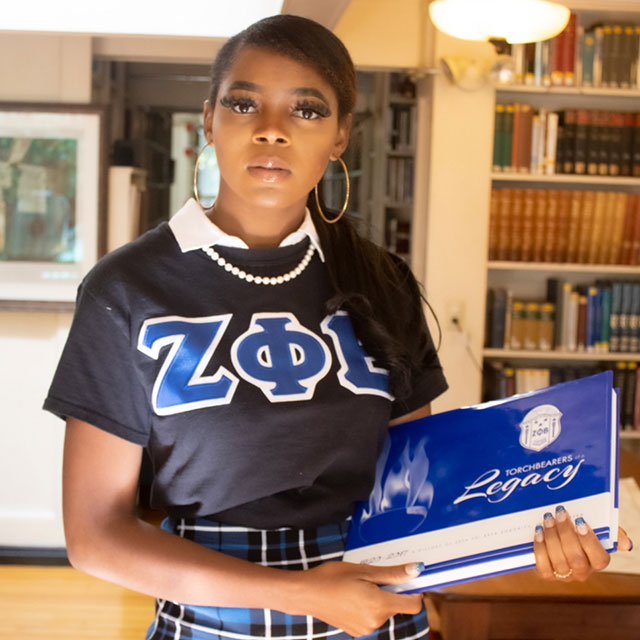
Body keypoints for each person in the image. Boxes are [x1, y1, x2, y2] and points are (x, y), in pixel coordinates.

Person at [43, 14, 631, 640]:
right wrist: (301, 594)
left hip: (377, 609)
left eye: (307, 110)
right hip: (216, 620)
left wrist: (536, 535)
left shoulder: (379, 280)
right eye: (245, 103)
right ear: (209, 119)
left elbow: (419, 491)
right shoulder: (127, 289)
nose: (271, 131)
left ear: (341, 136)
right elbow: (94, 537)